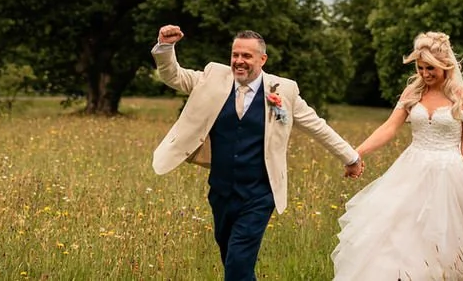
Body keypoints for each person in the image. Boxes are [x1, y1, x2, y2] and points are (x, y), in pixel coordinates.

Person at [150, 25, 364, 281]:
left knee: (238, 263)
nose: (239, 61)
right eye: (235, 55)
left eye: (246, 56)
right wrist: (165, 47)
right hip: (220, 189)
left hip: (260, 193)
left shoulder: (283, 90)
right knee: (232, 258)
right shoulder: (212, 76)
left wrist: (350, 157)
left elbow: (317, 125)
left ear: (262, 59)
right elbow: (173, 76)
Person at [330, 31, 463, 281]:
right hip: (411, 172)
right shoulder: (412, 92)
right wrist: (355, 154)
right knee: (397, 239)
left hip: (451, 175)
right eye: (420, 68)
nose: (424, 74)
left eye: (430, 68)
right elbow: (388, 128)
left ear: (446, 65)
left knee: (452, 243)